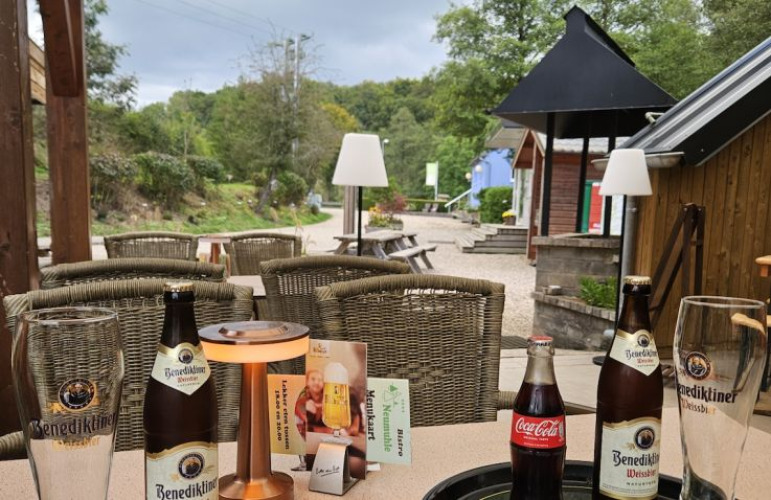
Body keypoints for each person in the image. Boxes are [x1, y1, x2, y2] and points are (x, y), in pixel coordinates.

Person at [295, 369, 325, 438]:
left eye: (320, 380)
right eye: (313, 379)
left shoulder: (328, 400)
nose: (316, 382)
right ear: (307, 382)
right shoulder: (301, 401)